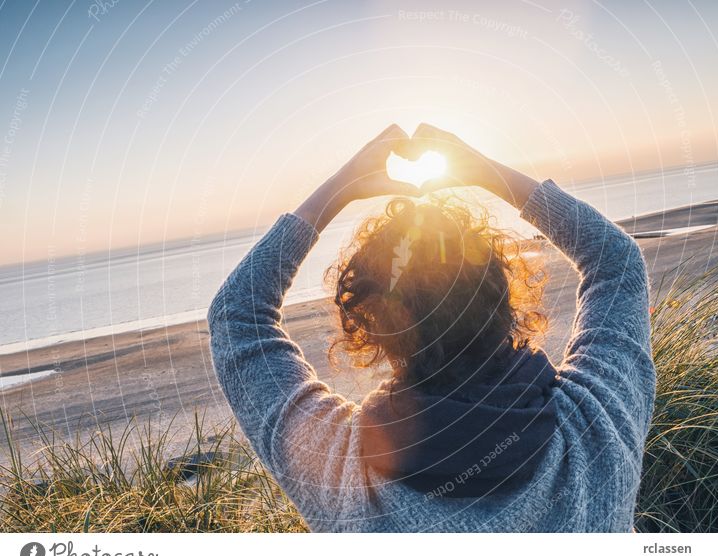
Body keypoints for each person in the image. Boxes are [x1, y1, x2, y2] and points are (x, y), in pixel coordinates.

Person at [207, 123, 656, 532]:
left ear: (372, 328)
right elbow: (615, 261)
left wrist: (340, 189)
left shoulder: (343, 472)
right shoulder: (595, 422)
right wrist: (486, 173)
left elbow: (237, 317)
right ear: (505, 298)